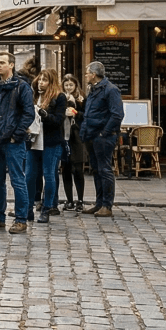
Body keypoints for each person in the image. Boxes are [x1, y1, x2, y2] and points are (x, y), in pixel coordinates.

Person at [0, 51, 36, 234]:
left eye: (2, 62)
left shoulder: (21, 86)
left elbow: (29, 113)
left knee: (17, 180)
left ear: (11, 65)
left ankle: (21, 220)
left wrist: (16, 135)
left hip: (12, 142)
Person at [81, 61, 124, 218]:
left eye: (87, 73)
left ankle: (107, 205)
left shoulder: (110, 90)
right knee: (96, 170)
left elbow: (117, 114)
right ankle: (99, 203)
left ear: (93, 74)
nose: (85, 75)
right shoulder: (93, 89)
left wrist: (104, 132)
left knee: (105, 170)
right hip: (91, 134)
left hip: (103, 136)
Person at [30, 70, 68, 224]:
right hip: (33, 141)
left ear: (51, 82)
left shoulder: (59, 97)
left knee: (49, 174)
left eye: (44, 80)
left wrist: (44, 114)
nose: (41, 83)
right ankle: (27, 208)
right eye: (40, 80)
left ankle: (47, 208)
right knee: (29, 175)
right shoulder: (34, 95)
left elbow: (58, 120)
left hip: (51, 141)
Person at [60, 74, 88, 212]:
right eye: (66, 85)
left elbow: (86, 115)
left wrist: (75, 112)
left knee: (78, 169)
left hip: (77, 137)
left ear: (76, 85)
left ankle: (80, 200)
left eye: (71, 85)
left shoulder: (82, 98)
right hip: (64, 136)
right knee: (65, 169)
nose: (69, 88)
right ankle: (69, 200)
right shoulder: (60, 97)